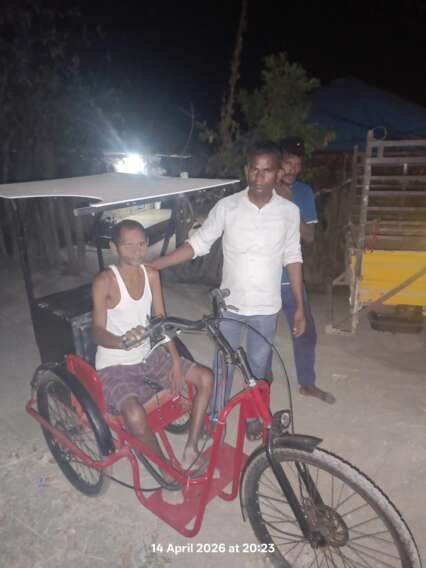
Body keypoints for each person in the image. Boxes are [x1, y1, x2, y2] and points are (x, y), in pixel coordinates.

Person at [148, 140, 305, 440]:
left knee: (258, 369)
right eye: (254, 170)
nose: (259, 177)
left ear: (278, 174)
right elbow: (198, 244)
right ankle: (213, 416)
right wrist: (159, 263)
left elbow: (293, 257)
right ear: (246, 171)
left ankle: (253, 417)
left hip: (266, 310)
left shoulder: (289, 212)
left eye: (267, 171)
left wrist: (298, 305)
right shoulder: (228, 206)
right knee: (223, 366)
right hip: (229, 308)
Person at [91, 219, 213, 476]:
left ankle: (190, 448)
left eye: (142, 244)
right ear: (114, 247)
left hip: (148, 354)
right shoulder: (105, 281)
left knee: (205, 378)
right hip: (114, 364)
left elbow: (161, 321)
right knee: (135, 416)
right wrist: (121, 341)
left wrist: (176, 360)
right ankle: (166, 470)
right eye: (129, 245)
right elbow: (96, 332)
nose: (137, 251)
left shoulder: (152, 274)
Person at [277, 137, 335, 404]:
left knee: (305, 331)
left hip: (290, 276)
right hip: (261, 277)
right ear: (278, 162)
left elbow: (309, 236)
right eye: (289, 162)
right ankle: (259, 386)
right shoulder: (262, 188)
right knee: (261, 335)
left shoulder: (303, 192)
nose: (293, 169)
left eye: (298, 164)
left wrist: (291, 205)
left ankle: (307, 384)